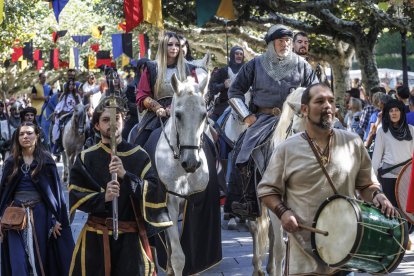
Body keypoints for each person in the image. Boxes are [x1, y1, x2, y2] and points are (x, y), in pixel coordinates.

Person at [257, 83, 395, 275]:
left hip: (346, 251)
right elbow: (267, 190)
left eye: (331, 101)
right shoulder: (286, 150)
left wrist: (377, 195)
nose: (328, 106)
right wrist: (283, 212)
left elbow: (367, 184)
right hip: (303, 258)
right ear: (304, 109)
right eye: (320, 101)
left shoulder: (353, 142)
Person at [68, 94, 169, 276]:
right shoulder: (87, 157)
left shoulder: (139, 155)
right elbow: (76, 194)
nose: (112, 124)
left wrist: (126, 176)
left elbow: (155, 192)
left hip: (130, 240)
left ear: (123, 121)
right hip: (95, 239)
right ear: (97, 125)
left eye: (116, 118)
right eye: (106, 120)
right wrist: (103, 198)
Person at [228, 24, 317, 219]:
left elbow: (315, 92)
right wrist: (246, 115)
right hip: (263, 119)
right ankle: (246, 201)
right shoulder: (255, 64)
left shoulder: (302, 65)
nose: (285, 44)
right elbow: (234, 92)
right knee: (242, 154)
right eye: (280, 41)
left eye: (287, 40)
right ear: (271, 43)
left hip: (295, 119)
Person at [0, 122, 74, 276]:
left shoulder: (46, 162)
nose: (25, 136)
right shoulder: (11, 163)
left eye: (29, 133)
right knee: (18, 263)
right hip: (15, 216)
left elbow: (55, 195)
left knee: (40, 260)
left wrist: (55, 218)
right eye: (21, 134)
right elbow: (3, 194)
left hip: (41, 215)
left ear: (37, 136)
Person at [132, 31, 198, 146]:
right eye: (170, 44)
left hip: (185, 113)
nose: (174, 48)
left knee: (211, 140)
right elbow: (141, 94)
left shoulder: (189, 68)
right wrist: (157, 107)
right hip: (157, 114)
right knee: (138, 146)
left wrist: (174, 107)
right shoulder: (152, 67)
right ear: (163, 46)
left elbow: (195, 94)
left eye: (177, 45)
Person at [372, 99, 414, 207]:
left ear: (401, 112)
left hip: (408, 178)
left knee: (407, 212)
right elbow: (376, 156)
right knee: (391, 213)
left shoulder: (412, 130)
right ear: (387, 113)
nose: (394, 113)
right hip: (388, 177)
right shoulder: (382, 131)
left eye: (397, 110)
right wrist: (372, 180)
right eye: (391, 111)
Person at [208, 46, 245, 121]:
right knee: (211, 125)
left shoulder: (246, 72)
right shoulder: (223, 70)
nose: (239, 56)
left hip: (242, 106)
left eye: (241, 54)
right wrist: (223, 85)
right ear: (232, 55)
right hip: (223, 106)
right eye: (237, 54)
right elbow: (211, 88)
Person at [52, 79, 82, 152]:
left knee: (85, 125)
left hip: (75, 115)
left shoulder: (77, 96)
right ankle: (59, 144)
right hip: (66, 114)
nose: (71, 86)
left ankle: (86, 142)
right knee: (59, 126)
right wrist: (57, 111)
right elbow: (60, 104)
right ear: (67, 86)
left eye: (73, 85)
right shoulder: (64, 95)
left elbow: (81, 106)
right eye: (70, 85)